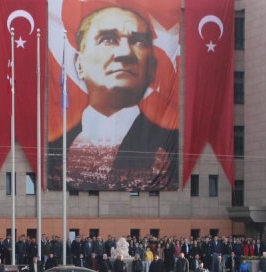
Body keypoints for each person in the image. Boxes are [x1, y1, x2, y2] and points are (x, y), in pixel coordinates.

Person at [45, 5, 178, 191]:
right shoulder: (55, 148)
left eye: (138, 42)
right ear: (79, 63)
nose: (125, 53)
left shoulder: (168, 149)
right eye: (108, 39)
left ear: (152, 69)